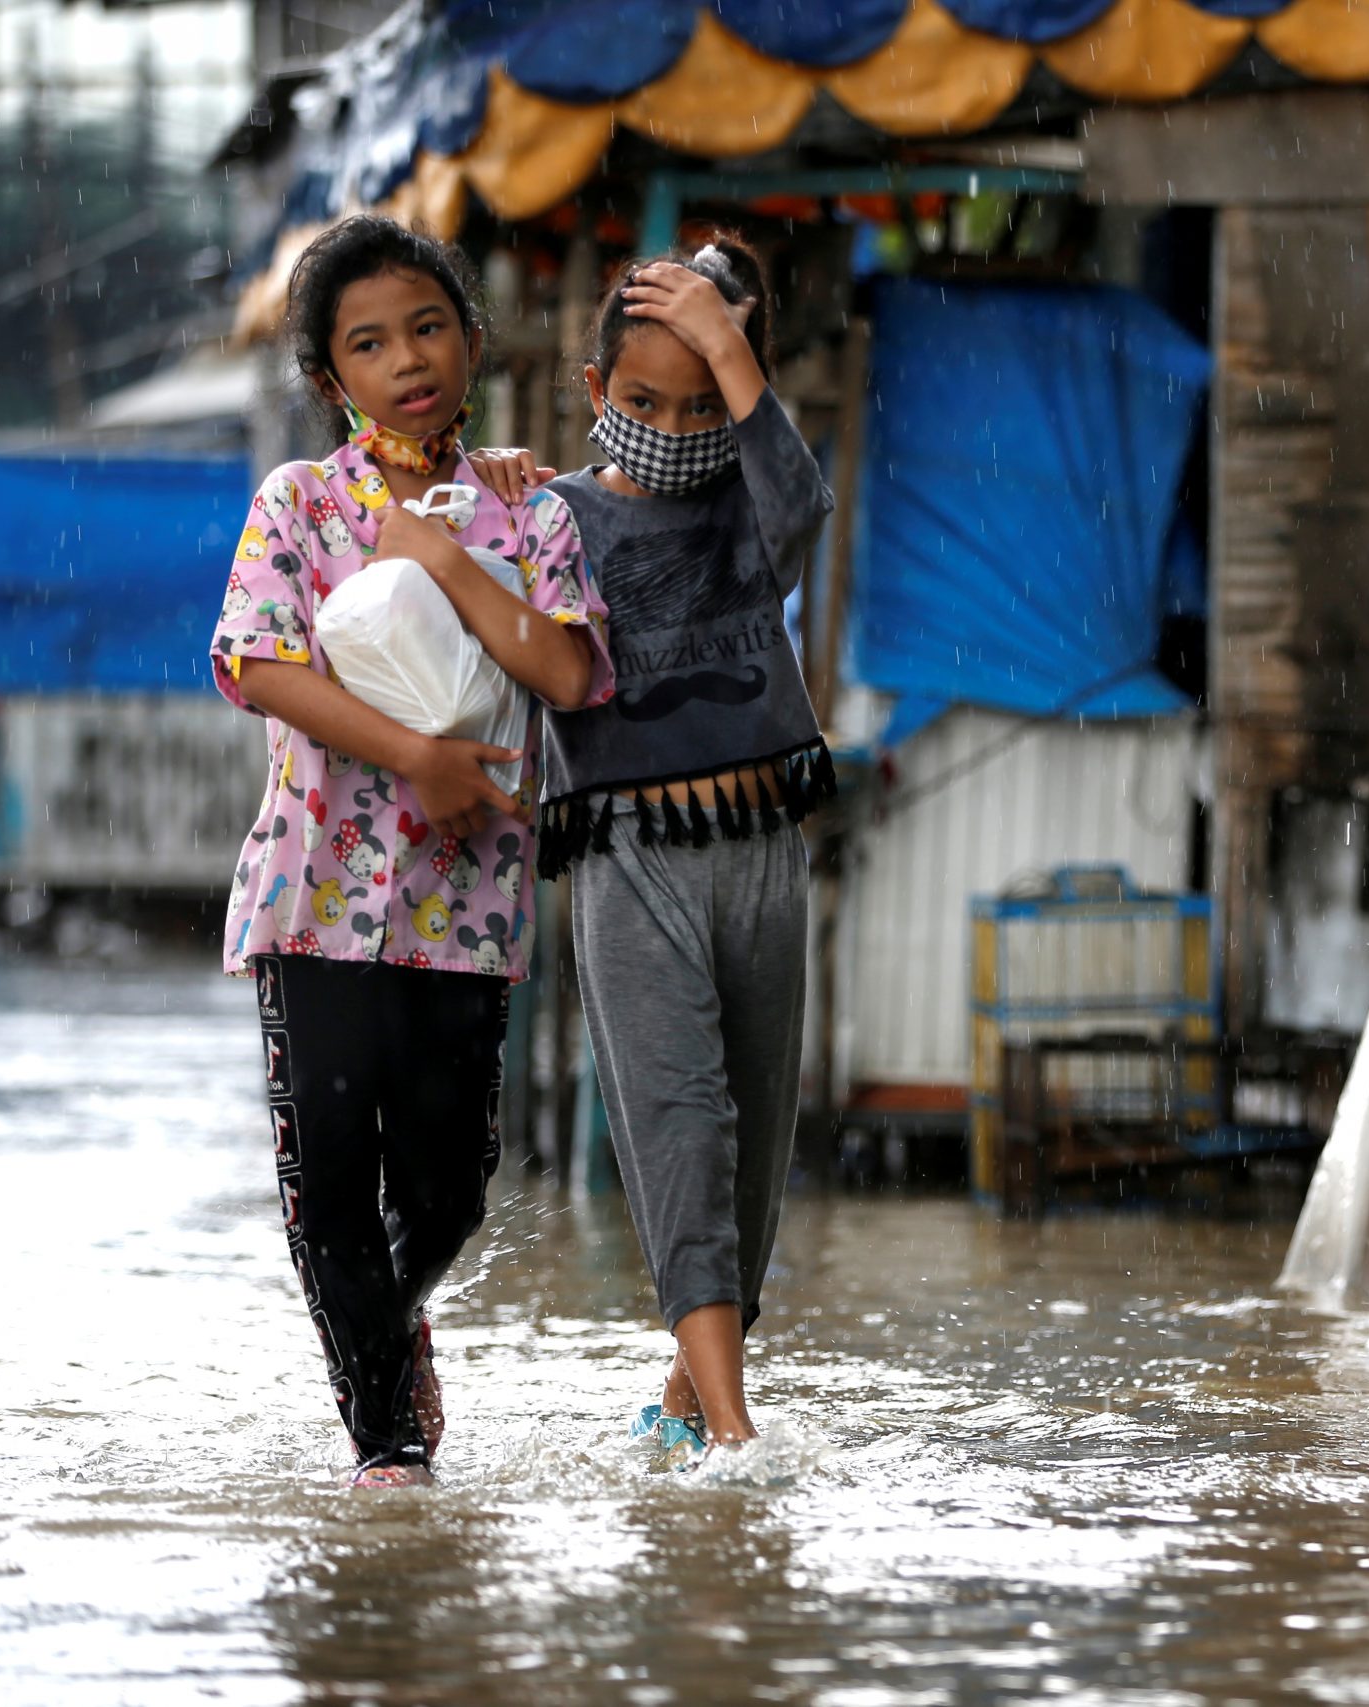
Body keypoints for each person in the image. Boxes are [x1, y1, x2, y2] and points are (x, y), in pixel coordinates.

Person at [209, 215, 615, 1489]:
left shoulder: (527, 513)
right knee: (325, 1179)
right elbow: (254, 662)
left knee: (447, 1193)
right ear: (333, 380)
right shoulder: (302, 502)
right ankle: (387, 1449)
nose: (407, 360)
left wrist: (451, 549)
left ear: (473, 339)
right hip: (312, 893)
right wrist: (414, 757)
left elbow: (573, 669)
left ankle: (393, 1319)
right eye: (370, 344)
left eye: (428, 327)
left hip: (468, 903)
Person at [471, 230, 835, 1472]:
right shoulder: (551, 520)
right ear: (592, 396)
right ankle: (735, 1434)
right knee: (679, 1125)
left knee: (757, 1153)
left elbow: (806, 506)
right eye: (638, 400)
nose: (669, 425)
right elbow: (444, 569)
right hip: (630, 858)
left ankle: (684, 1402)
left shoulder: (750, 506)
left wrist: (734, 346)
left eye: (701, 399)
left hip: (764, 850)